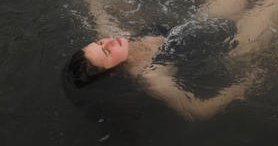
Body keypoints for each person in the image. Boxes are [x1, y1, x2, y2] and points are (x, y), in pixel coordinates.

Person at [65, 34, 255, 121]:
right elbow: (197, 111)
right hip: (225, 44)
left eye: (99, 42)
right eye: (106, 52)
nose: (109, 42)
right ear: (113, 72)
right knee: (275, 1)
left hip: (198, 28)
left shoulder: (122, 41)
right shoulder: (151, 77)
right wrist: (244, 85)